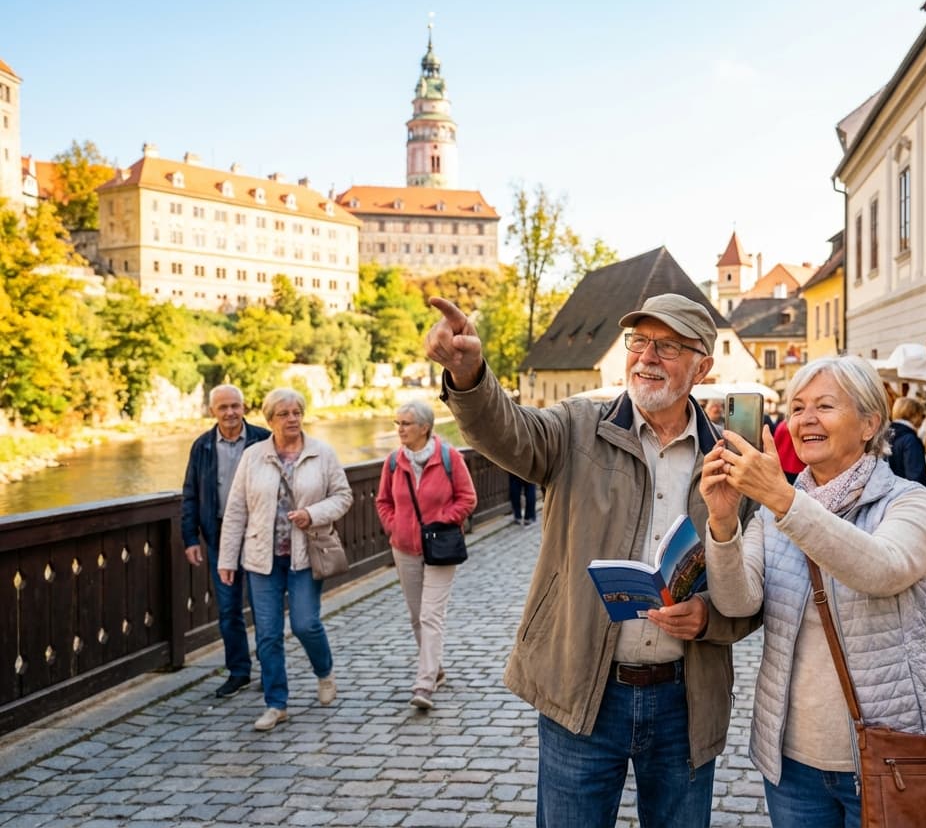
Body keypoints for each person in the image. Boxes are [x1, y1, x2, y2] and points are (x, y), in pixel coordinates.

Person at [424, 292, 759, 828]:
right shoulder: (577, 426)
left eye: (668, 346)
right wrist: (470, 377)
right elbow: (506, 432)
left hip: (685, 699)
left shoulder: (733, 461)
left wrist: (711, 619)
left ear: (703, 366)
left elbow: (756, 585)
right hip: (583, 688)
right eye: (640, 341)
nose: (647, 356)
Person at [700, 356, 926, 827]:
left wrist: (784, 500)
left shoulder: (908, 502)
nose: (805, 419)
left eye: (825, 406)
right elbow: (737, 602)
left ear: (870, 422)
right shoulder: (776, 513)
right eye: (796, 408)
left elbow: (881, 569)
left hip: (888, 754)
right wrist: (724, 521)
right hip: (793, 764)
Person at [218, 388, 352, 732]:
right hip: (261, 558)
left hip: (305, 556)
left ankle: (324, 671)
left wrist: (313, 512)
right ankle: (276, 704)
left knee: (306, 623)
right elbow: (236, 510)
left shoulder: (322, 453)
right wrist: (227, 559)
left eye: (297, 412)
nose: (292, 419)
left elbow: (343, 496)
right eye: (284, 414)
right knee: (267, 634)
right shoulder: (253, 456)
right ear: (269, 420)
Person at [376, 399, 477, 710]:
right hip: (404, 549)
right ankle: (436, 669)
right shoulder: (394, 462)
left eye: (406, 423)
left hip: (441, 547)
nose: (400, 429)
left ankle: (424, 685)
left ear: (424, 427)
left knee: (430, 615)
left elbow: (468, 498)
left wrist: (441, 521)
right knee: (416, 615)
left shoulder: (449, 458)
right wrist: (396, 528)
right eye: (398, 423)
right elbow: (383, 501)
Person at [180, 383, 271, 699]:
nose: (231, 412)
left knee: (264, 607)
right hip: (220, 538)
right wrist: (190, 538)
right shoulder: (202, 446)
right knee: (229, 608)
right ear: (212, 412)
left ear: (244, 406)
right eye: (223, 407)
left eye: (235, 405)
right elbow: (190, 493)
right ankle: (239, 672)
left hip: (261, 534)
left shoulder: (263, 439)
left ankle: (270, 671)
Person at [888, 396, 926, 491]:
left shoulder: (885, 435)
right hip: (907, 498)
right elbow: (916, 477)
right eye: (923, 416)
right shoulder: (910, 440)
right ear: (914, 415)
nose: (923, 420)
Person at [773, 418, 805, 485]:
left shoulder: (781, 426)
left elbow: (775, 444)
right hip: (799, 465)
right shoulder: (801, 427)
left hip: (782, 465)